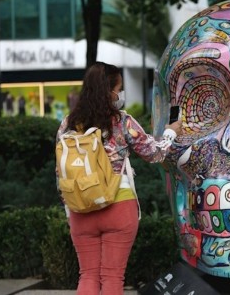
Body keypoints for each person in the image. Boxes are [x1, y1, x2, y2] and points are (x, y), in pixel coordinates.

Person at [55, 61, 182, 295]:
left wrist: (70, 207)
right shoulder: (122, 121)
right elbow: (154, 154)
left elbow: (60, 172)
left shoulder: (68, 124)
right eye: (118, 88)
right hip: (119, 205)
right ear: (109, 91)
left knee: (88, 276)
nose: (119, 94)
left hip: (81, 208)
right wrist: (171, 132)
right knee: (113, 277)